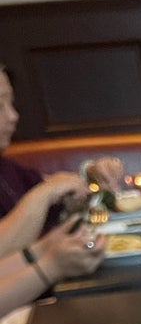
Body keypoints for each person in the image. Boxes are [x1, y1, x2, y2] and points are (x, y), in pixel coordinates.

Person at [0, 65, 123, 226]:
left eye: (11, 103)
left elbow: (59, 194)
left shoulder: (7, 168)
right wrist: (45, 194)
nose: (13, 116)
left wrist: (92, 176)